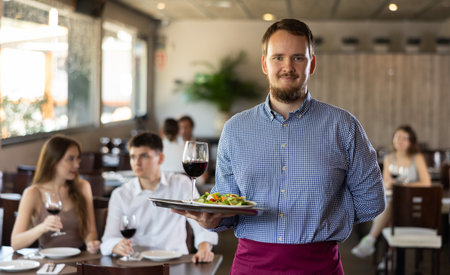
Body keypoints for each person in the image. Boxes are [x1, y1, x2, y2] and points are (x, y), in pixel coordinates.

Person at [172, 18, 385, 274]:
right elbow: (228, 202)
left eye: (298, 58)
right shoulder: (235, 128)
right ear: (264, 63)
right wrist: (213, 220)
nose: (288, 67)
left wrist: (327, 217)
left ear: (312, 64)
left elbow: (372, 200)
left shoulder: (344, 126)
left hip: (319, 266)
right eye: (278, 58)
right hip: (251, 266)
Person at [100, 131, 218, 263]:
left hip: (175, 261)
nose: (137, 162)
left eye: (144, 156)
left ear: (160, 158)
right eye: (133, 157)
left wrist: (204, 247)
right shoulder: (121, 194)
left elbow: (201, 222)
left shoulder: (181, 184)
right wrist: (116, 246)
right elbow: (108, 240)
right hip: (137, 262)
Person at [351, 125, 431, 259]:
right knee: (391, 210)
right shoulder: (389, 158)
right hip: (394, 203)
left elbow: (426, 183)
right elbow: (386, 182)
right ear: (393, 139)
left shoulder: (417, 158)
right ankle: (389, 258)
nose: (400, 141)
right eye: (398, 137)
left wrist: (404, 187)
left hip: (413, 205)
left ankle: (371, 240)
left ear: (411, 142)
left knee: (389, 208)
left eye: (405, 138)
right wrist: (389, 184)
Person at [11, 135, 100, 253]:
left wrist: (91, 243)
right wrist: (42, 227)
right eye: (70, 159)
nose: (77, 165)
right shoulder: (32, 193)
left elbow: (91, 231)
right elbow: (15, 243)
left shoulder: (83, 187)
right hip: (48, 263)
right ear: (53, 161)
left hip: (80, 258)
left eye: (78, 159)